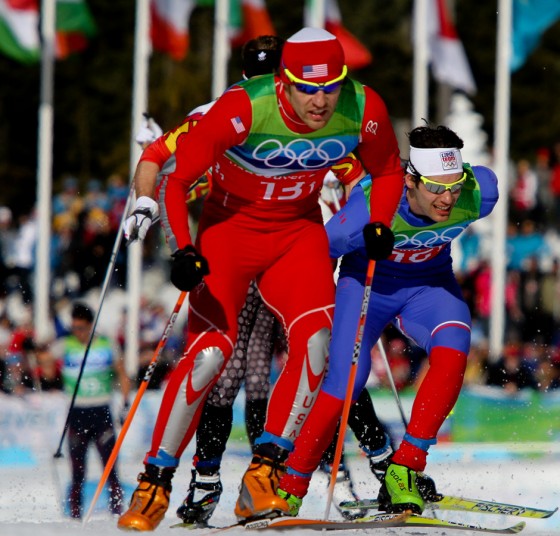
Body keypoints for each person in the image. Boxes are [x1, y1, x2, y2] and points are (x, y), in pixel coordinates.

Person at [117, 27, 403, 531]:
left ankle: (264, 474)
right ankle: (156, 481)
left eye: (330, 87)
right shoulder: (234, 108)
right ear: (281, 81)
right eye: (306, 88)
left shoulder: (360, 107)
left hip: (297, 233)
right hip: (229, 230)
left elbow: (385, 171)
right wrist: (180, 248)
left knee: (319, 344)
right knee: (210, 357)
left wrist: (377, 221)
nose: (320, 101)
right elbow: (174, 174)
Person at [271, 124, 499, 517]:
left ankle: (405, 468)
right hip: (366, 289)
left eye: (454, 187)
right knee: (346, 383)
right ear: (410, 181)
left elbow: (485, 182)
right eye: (435, 189)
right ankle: (290, 484)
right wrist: (315, 312)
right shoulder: (371, 209)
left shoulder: (479, 194)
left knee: (455, 349)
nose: (447, 199)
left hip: (429, 287)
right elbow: (320, 253)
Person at [53, 302, 130, 519]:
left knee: (110, 470)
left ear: (90, 326)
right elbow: (45, 361)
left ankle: (117, 513)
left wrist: (125, 403)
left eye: (81, 328)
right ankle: (74, 517)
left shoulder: (107, 344)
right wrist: (33, 348)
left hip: (101, 413)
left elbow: (123, 374)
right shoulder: (64, 344)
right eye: (74, 328)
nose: (77, 333)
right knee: (78, 473)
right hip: (77, 414)